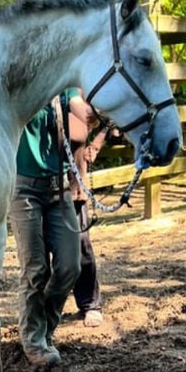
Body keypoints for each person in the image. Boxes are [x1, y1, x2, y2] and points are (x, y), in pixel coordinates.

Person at [9, 88, 94, 366]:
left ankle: (44, 325)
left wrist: (97, 112)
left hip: (58, 187)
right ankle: (35, 340)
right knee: (35, 268)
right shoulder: (23, 81)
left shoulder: (62, 86)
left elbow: (79, 106)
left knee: (70, 265)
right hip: (23, 189)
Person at [69, 111, 109, 328]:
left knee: (81, 245)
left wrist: (95, 144)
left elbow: (108, 115)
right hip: (41, 187)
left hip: (74, 185)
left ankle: (90, 304)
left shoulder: (79, 92)